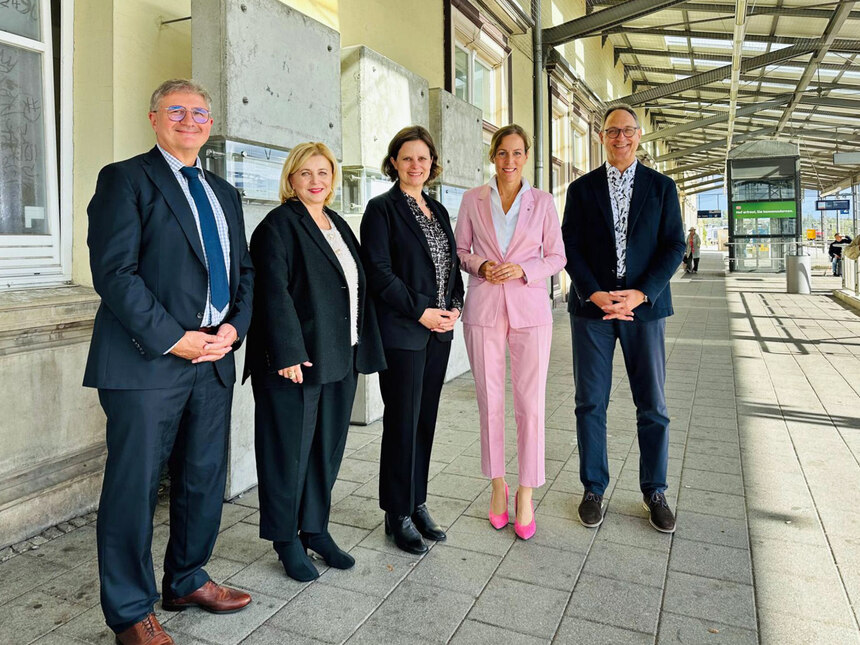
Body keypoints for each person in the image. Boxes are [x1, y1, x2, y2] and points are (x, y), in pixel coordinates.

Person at [84, 79, 254, 645]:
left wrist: (233, 326)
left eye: (199, 111)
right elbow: (115, 274)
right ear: (153, 117)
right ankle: (131, 611)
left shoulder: (224, 192)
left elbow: (243, 275)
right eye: (176, 110)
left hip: (214, 355)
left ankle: (186, 578)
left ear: (210, 122)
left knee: (203, 478)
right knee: (134, 487)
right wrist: (173, 338)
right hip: (147, 362)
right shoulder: (125, 179)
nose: (189, 119)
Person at [244, 142, 385, 581]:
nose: (315, 181)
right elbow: (272, 292)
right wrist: (287, 352)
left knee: (326, 450)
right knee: (288, 453)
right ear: (290, 179)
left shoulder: (337, 223)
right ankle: (285, 539)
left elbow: (355, 288)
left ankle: (315, 529)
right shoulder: (277, 226)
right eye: (305, 173)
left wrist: (362, 345)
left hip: (339, 355)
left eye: (323, 172)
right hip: (296, 363)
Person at [562, 104, 685, 534]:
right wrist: (594, 293)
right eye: (613, 131)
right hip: (592, 309)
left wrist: (642, 291)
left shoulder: (661, 187)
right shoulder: (581, 190)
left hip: (644, 309)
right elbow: (570, 247)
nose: (621, 138)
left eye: (628, 131)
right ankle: (593, 487)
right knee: (590, 402)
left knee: (652, 404)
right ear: (601, 136)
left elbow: (673, 246)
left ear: (638, 136)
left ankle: (655, 491)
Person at [454, 124, 566, 540]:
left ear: (526, 156)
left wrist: (524, 269)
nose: (510, 161)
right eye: (503, 153)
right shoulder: (472, 200)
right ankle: (497, 486)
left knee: (530, 403)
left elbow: (557, 256)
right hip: (484, 306)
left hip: (529, 307)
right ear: (493, 156)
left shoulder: (543, 202)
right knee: (489, 401)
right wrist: (480, 265)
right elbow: (461, 251)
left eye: (518, 153)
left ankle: (525, 492)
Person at [360, 125, 465, 555]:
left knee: (425, 420)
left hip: (439, 333)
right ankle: (396, 512)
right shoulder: (380, 209)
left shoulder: (437, 210)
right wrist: (420, 310)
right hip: (404, 332)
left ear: (431, 164)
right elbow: (379, 273)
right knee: (402, 422)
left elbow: (452, 267)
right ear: (394, 163)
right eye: (407, 158)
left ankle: (417, 500)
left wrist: (455, 306)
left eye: (422, 159)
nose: (415, 165)